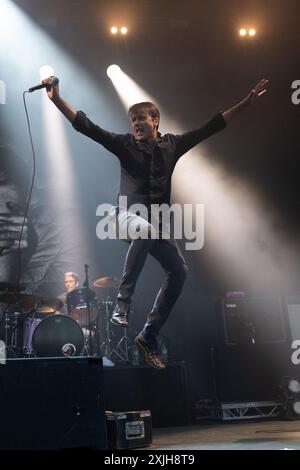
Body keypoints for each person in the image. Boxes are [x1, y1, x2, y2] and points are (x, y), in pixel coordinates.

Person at [43, 76, 269, 369]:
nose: (135, 124)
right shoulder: (124, 144)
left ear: (156, 121)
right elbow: (88, 127)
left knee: (180, 272)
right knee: (145, 230)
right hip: (122, 218)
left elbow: (211, 127)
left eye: (141, 119)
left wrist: (246, 103)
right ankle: (122, 305)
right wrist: (57, 99)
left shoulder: (172, 145)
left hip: (155, 225)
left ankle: (148, 335)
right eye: (132, 119)